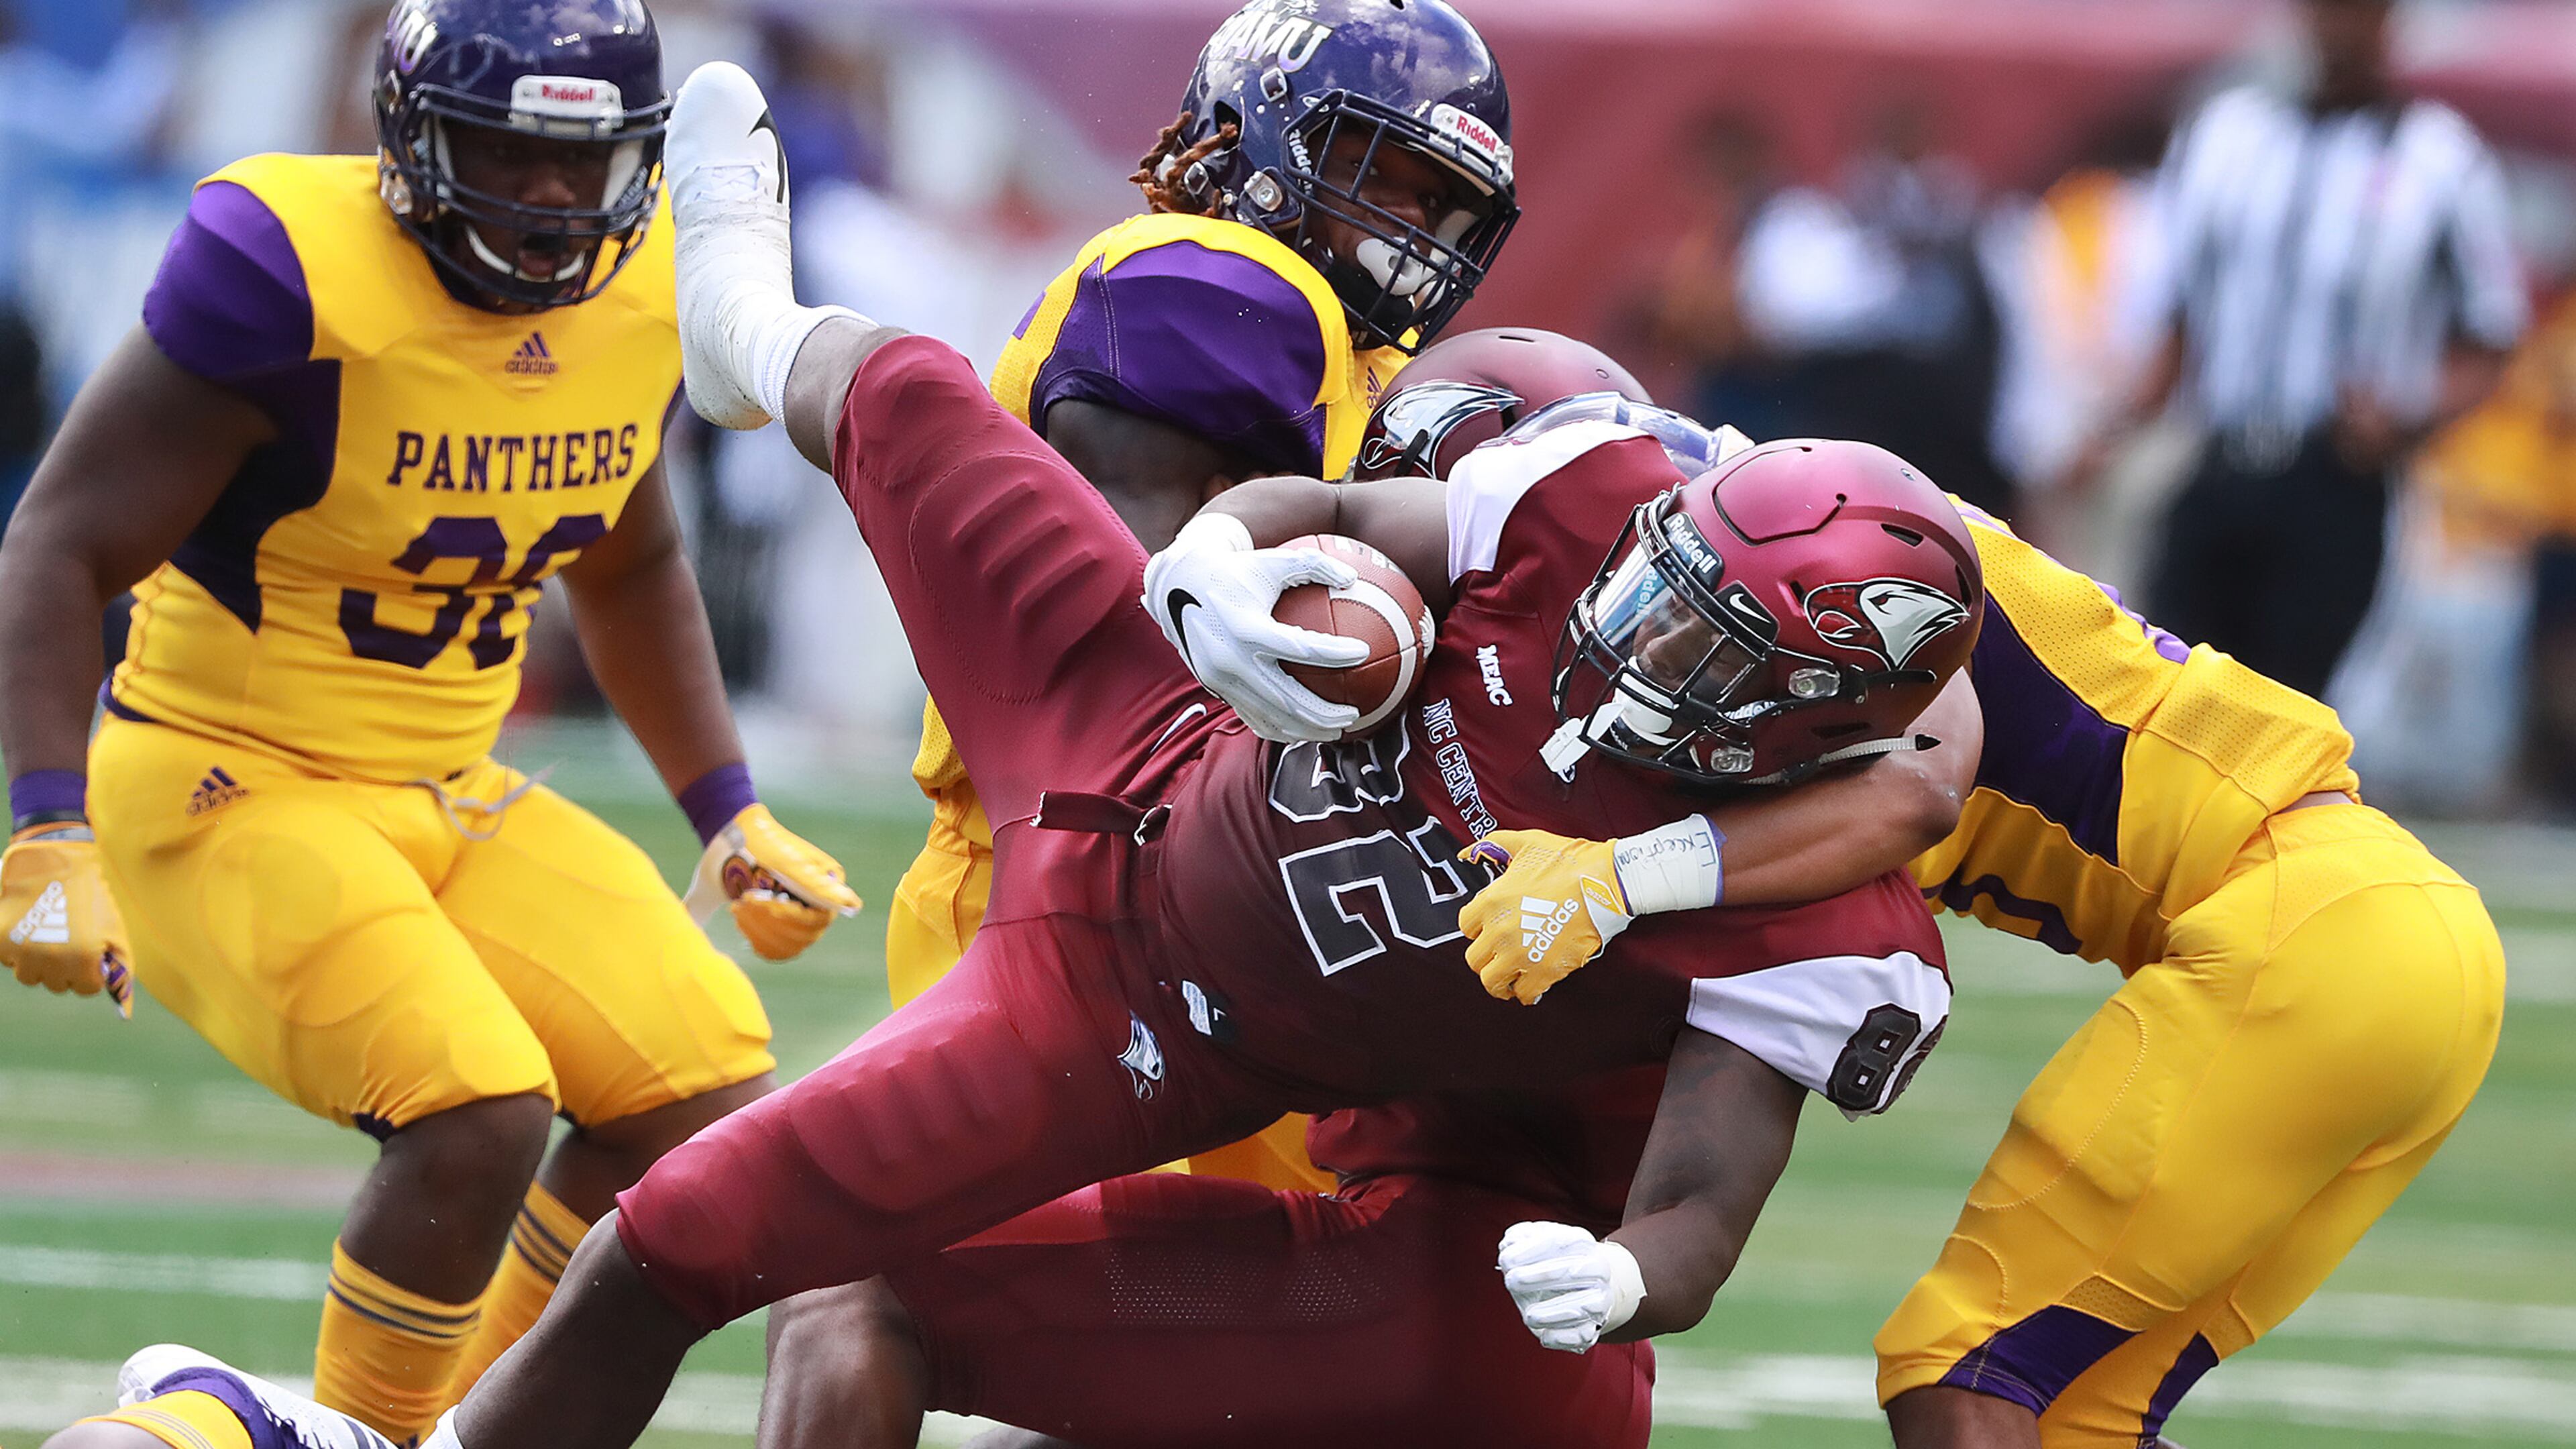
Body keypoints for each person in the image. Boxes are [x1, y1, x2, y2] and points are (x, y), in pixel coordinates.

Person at [85, 60, 1983, 1449]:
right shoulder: (1570, 491)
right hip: (1125, 723)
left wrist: (1638, 1257)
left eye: (1714, 649)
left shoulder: (1813, 909)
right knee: (901, 395)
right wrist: (1246, 567)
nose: (1640, 636)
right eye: (1668, 588)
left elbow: (1723, 1167)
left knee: (740, 1239)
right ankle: (746, 322)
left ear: (1807, 729)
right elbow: (1363, 515)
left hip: (1191, 1023)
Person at [0, 3, 859, 1439]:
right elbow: (58, 542)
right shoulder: (290, 272)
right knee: (478, 1104)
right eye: (502, 155)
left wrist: (730, 808)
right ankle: (373, 1432)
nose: (544, 204)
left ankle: (468, 1425)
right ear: (407, 138)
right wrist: (44, 822)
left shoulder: (641, 284)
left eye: (577, 169)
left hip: (449, 781)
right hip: (229, 776)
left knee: (697, 1093)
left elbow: (630, 555)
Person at [1434, 473, 2508, 1438]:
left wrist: (1625, 876)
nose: (1661, 649)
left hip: (2316, 932)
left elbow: (1914, 788)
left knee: (1960, 1376)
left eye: (1698, 623)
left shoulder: (1874, 586)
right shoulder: (1813, 545)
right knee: (2083, 1422)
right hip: (2401, 940)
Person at [882, 0, 1521, 1196]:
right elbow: (1129, 648)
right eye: (1385, 178)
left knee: (1282, 1335)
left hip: (1238, 911)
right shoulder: (1219, 281)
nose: (1413, 233)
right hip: (1069, 890)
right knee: (972, 1313)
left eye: (1441, 206)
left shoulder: (1353, 347)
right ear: (1255, 138)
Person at [2072, 0, 2525, 697]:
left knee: (2290, 708)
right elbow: (2180, 310)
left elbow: (2491, 330)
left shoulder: (2440, 158)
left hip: (2336, 474)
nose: (2337, 29)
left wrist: (2410, 418)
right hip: (2218, 459)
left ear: (2388, 22)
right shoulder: (2226, 135)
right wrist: (2113, 428)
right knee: (2172, 693)